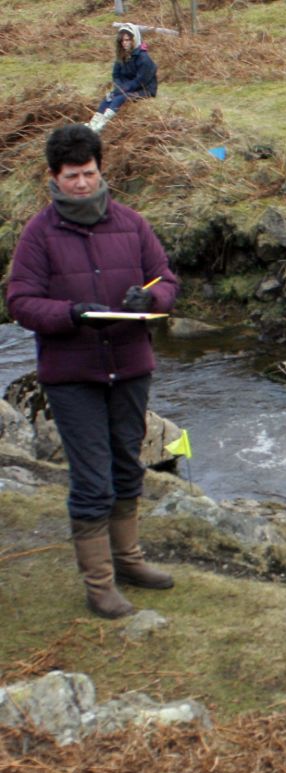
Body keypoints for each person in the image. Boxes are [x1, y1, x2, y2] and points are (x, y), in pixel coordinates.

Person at [6, 122, 180, 619]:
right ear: (53, 178)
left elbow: (166, 281)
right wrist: (70, 314)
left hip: (130, 367)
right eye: (71, 176)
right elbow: (20, 301)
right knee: (91, 479)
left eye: (89, 173)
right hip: (71, 374)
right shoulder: (38, 234)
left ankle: (129, 561)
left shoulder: (132, 223)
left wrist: (151, 299)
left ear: (101, 170)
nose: (82, 183)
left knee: (127, 466)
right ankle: (99, 585)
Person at [87, 24, 157, 132]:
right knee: (109, 97)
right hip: (125, 87)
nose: (124, 43)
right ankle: (93, 124)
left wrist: (124, 89)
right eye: (122, 41)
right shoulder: (122, 56)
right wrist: (119, 87)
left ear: (134, 39)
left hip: (144, 90)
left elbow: (141, 80)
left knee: (119, 98)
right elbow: (116, 75)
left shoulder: (144, 58)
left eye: (127, 40)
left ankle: (101, 125)